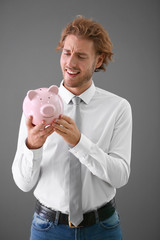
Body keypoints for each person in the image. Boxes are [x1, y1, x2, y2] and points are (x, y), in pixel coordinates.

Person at [12, 15, 132, 240]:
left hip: (103, 229)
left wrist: (79, 143)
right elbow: (23, 184)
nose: (70, 63)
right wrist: (33, 146)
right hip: (47, 229)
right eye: (66, 53)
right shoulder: (34, 107)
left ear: (98, 60)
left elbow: (120, 177)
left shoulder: (118, 108)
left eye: (81, 56)